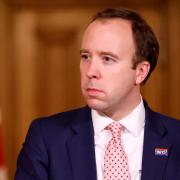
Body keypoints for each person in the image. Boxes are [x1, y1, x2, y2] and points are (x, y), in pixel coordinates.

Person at [15, 8, 180, 180]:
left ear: (140, 71)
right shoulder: (46, 138)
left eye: (107, 59)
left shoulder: (176, 138)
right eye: (86, 57)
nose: (91, 71)